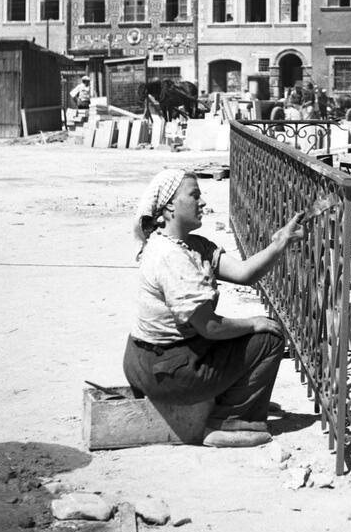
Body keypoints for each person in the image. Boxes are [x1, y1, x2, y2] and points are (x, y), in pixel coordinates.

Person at [123, 169, 308, 448]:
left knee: (247, 336)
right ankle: (231, 423)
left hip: (147, 361)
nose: (203, 203)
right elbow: (209, 327)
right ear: (170, 205)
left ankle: (231, 402)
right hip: (164, 371)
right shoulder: (170, 256)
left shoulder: (191, 245)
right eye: (194, 195)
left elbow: (245, 273)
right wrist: (252, 323)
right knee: (267, 339)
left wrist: (280, 242)